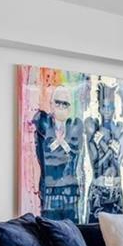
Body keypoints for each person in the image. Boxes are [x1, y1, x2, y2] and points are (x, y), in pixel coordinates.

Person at [34, 85, 84, 220]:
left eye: (65, 103)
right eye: (58, 102)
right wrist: (62, 144)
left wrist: (61, 144)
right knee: (49, 227)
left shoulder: (75, 126)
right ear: (51, 104)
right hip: (50, 191)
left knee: (72, 228)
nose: (61, 106)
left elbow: (74, 153)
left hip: (70, 192)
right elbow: (45, 154)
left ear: (69, 108)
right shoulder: (43, 125)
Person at [85, 80, 123, 219]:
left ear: (114, 108)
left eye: (110, 107)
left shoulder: (120, 128)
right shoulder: (92, 126)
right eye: (104, 107)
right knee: (94, 228)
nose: (107, 111)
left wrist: (103, 145)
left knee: (119, 229)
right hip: (98, 190)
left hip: (116, 190)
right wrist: (111, 149)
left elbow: (118, 162)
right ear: (99, 108)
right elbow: (96, 165)